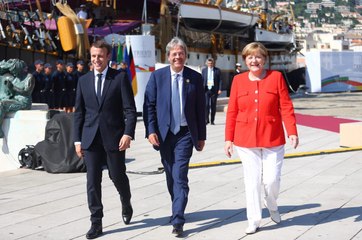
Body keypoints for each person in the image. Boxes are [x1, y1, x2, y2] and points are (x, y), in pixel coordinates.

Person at [224, 42, 299, 234]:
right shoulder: (238, 81)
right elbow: (232, 111)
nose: (254, 60)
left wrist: (292, 131)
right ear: (245, 60)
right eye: (250, 57)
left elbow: (286, 106)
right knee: (252, 181)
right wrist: (228, 139)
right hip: (245, 140)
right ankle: (254, 219)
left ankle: (271, 203)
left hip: (272, 137)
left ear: (264, 59)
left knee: (271, 180)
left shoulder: (276, 77)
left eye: (258, 57)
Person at [73, 40, 137, 239]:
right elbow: (79, 113)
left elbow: (130, 110)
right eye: (93, 56)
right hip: (90, 139)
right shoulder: (83, 80)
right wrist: (77, 140)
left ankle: (126, 202)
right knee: (92, 181)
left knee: (117, 176)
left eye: (100, 56)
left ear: (108, 56)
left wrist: (128, 133)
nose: (96, 59)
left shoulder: (119, 78)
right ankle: (96, 222)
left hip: (114, 138)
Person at [143, 37, 206, 237]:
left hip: (186, 134)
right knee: (170, 176)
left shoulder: (195, 78)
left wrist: (201, 136)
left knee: (180, 175)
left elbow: (200, 109)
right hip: (164, 134)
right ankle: (176, 203)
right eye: (174, 54)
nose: (177, 57)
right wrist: (150, 130)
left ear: (185, 56)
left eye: (181, 53)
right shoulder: (157, 77)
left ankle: (178, 219)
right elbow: (149, 106)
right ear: (168, 56)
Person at [0, 59, 35, 137]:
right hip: (15, 100)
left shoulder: (29, 77)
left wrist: (13, 88)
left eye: (14, 71)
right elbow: (12, 93)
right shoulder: (15, 78)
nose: (13, 73)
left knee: (2, 104)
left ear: (19, 69)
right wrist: (8, 88)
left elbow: (27, 92)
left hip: (24, 103)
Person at [202, 58, 222, 125]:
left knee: (213, 105)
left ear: (213, 63)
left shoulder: (217, 70)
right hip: (206, 90)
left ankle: (212, 120)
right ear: (207, 64)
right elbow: (202, 79)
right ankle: (206, 120)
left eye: (211, 63)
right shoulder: (204, 70)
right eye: (209, 63)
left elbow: (220, 80)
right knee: (206, 105)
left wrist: (220, 89)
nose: (210, 64)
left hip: (214, 90)